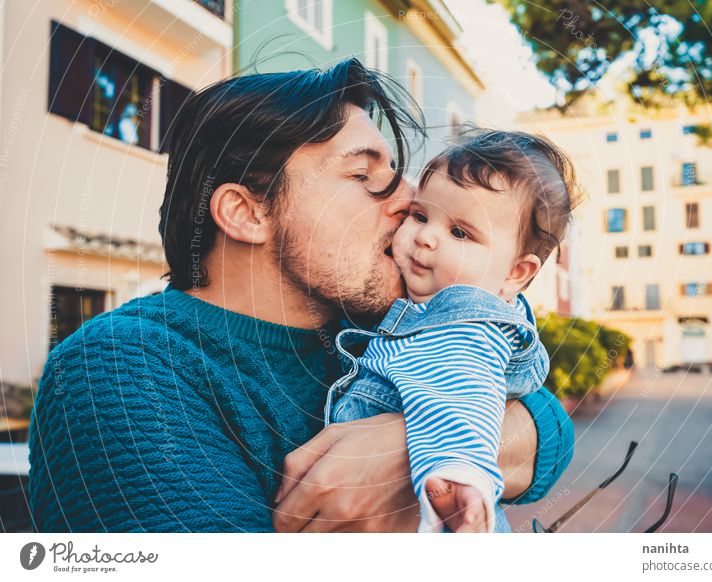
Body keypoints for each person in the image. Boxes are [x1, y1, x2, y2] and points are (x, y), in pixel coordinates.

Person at [28, 58, 574, 532]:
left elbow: (548, 424)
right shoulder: (122, 369)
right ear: (248, 213)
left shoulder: (360, 333)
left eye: (399, 173)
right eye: (364, 174)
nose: (409, 201)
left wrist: (404, 448)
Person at [323, 130, 577, 533]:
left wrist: (459, 473)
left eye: (460, 233)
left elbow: (460, 395)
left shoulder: (464, 323)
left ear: (516, 272)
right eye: (421, 215)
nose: (425, 236)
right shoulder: (423, 308)